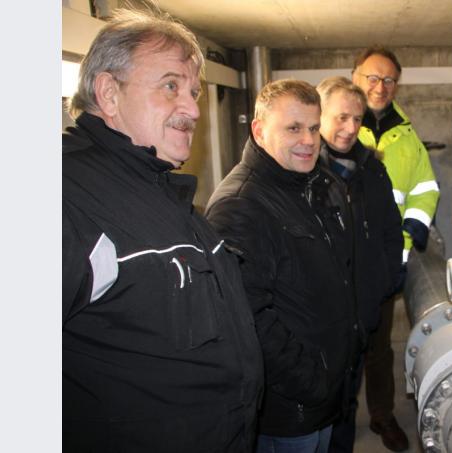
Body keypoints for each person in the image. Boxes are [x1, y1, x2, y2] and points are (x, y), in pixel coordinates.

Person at [62, 8, 263, 452]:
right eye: (170, 86)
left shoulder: (162, 192)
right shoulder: (63, 195)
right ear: (109, 94)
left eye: (194, 92)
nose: (193, 108)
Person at [206, 79, 360, 453]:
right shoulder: (240, 207)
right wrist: (310, 381)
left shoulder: (311, 184)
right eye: (293, 128)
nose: (308, 140)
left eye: (312, 128)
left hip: (323, 394)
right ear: (259, 131)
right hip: (289, 407)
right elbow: (248, 320)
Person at [352, 46, 440, 452]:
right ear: (356, 77)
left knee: (378, 346)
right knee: (333, 343)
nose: (380, 86)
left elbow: (425, 188)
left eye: (388, 79)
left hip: (385, 261)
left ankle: (382, 416)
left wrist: (413, 231)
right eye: (372, 77)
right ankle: (334, 417)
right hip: (337, 259)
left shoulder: (406, 135)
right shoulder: (337, 124)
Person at [315, 77, 403, 453]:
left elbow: (389, 225)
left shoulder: (371, 167)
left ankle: (382, 416)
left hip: (372, 288)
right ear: (318, 115)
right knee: (335, 370)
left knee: (379, 355)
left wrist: (388, 277)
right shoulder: (305, 167)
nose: (350, 128)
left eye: (357, 119)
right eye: (340, 118)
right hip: (329, 298)